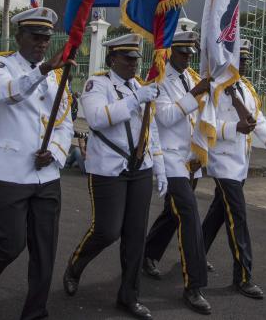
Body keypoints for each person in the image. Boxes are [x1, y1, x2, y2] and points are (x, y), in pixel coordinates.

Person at [0, 7, 73, 319]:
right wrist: (42, 71)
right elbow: (5, 94)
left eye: (46, 38)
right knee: (10, 244)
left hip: (47, 175)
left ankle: (35, 311)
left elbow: (64, 122)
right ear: (19, 36)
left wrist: (55, 150)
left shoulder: (56, 75)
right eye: (35, 36)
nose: (41, 43)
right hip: (10, 173)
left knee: (44, 249)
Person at [63, 34, 166, 320]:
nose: (133, 64)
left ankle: (129, 297)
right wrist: (136, 98)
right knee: (107, 230)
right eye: (127, 58)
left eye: (136, 59)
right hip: (109, 169)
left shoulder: (139, 87)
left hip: (140, 169)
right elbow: (97, 118)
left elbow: (150, 129)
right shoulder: (98, 84)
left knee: (135, 236)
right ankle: (76, 264)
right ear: (112, 59)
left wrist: (159, 165)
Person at [201, 39, 266, 300]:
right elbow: (202, 127)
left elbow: (258, 121)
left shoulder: (247, 88)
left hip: (240, 165)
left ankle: (195, 253)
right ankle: (243, 277)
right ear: (229, 61)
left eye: (247, 59)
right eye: (240, 59)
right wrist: (233, 129)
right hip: (223, 163)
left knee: (218, 214)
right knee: (237, 219)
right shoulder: (215, 89)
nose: (245, 63)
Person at [142, 31, 212, 315]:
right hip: (169, 160)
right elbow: (168, 117)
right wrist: (195, 93)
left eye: (190, 54)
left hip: (189, 160)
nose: (187, 58)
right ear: (170, 53)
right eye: (182, 53)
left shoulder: (191, 77)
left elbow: (198, 116)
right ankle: (194, 285)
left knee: (172, 213)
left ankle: (148, 253)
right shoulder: (159, 80)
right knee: (188, 215)